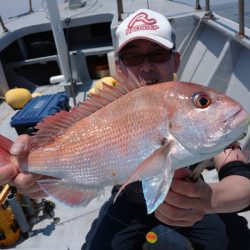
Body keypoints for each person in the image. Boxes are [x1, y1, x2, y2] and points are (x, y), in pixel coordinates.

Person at [0, 8, 249, 250]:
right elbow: (63, 158)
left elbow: (242, 180)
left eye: (158, 54)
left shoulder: (204, 118)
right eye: (133, 57)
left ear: (176, 59)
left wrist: (209, 200)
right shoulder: (103, 109)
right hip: (128, 201)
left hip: (196, 201)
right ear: (119, 67)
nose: (146, 66)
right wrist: (34, 172)